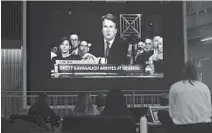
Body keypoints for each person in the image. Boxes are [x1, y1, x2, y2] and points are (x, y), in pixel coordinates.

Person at [158, 60, 212, 132]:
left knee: (161, 113)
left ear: (183, 73)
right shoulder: (204, 87)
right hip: (205, 128)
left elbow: (172, 113)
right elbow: (209, 110)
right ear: (197, 74)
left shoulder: (175, 87)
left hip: (182, 129)